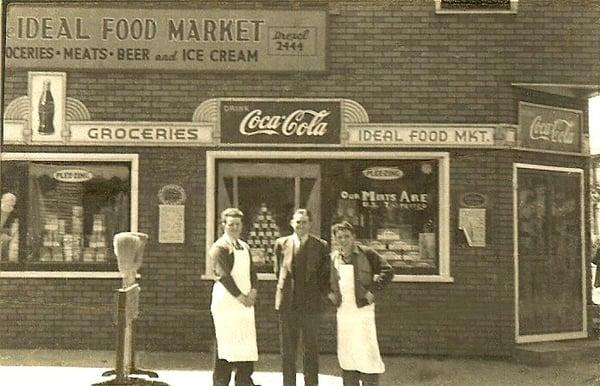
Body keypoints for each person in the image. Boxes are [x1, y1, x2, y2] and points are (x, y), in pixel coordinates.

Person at [328, 221, 394, 386]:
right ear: (335, 239)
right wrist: (329, 294)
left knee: (366, 350)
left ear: (353, 237)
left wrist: (373, 290)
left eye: (347, 236)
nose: (343, 240)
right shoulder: (333, 258)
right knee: (347, 352)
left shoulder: (367, 253)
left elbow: (388, 270)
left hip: (363, 311)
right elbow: (323, 281)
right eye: (340, 237)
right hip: (344, 312)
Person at [274, 208, 330, 386]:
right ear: (292, 223)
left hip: (310, 307)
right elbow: (278, 271)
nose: (301, 225)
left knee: (310, 350)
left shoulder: (320, 246)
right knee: (288, 352)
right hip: (288, 305)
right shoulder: (281, 243)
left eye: (304, 222)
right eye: (297, 222)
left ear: (310, 224)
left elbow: (323, 276)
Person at [210, 208, 260, 386]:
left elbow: (252, 272)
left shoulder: (244, 246)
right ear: (223, 225)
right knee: (226, 345)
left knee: (245, 344)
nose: (234, 228)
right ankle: (221, 382)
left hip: (245, 303)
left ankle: (244, 381)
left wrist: (253, 291)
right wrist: (241, 297)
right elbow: (223, 276)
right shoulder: (219, 248)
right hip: (228, 303)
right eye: (230, 224)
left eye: (237, 224)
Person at [0, 192, 18, 260]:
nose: (9, 203)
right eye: (7, 200)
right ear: (2, 200)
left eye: (12, 201)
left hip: (7, 237)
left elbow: (13, 229)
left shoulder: (15, 213)